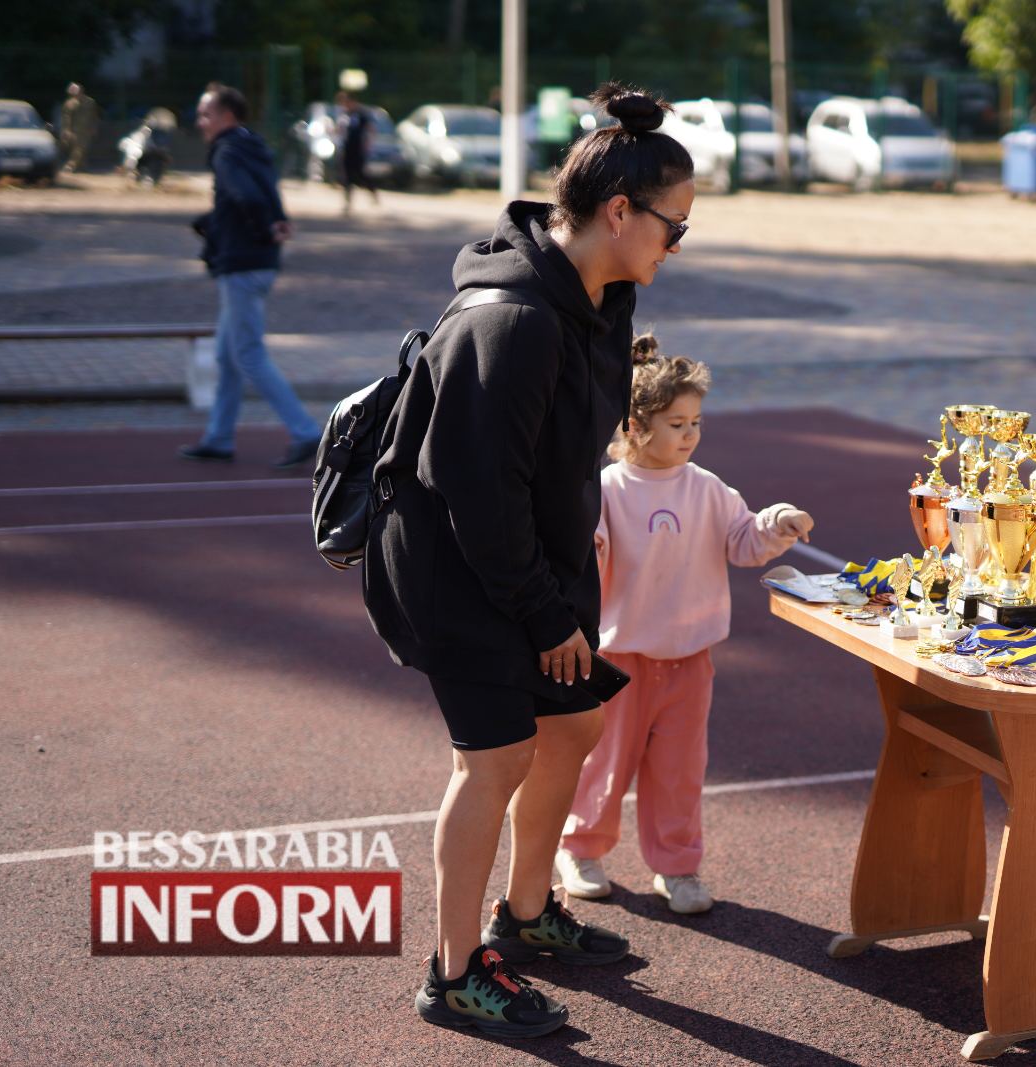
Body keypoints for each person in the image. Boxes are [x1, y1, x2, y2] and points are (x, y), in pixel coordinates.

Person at [362, 82, 696, 1040]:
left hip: (532, 553)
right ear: (619, 211)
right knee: (497, 754)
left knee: (578, 719)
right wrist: (544, 612)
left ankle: (527, 910)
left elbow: (559, 450)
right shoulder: (511, 323)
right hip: (455, 562)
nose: (678, 245)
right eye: (675, 226)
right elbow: (476, 494)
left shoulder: (603, 295)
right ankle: (456, 971)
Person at [556, 335, 815, 915]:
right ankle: (580, 848)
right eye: (677, 423)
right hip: (617, 661)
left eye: (696, 421)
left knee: (679, 771)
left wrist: (777, 523)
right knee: (604, 763)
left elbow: (745, 542)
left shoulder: (708, 488)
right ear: (635, 425)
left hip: (689, 661)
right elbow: (582, 561)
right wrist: (585, 545)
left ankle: (677, 865)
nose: (691, 434)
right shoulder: (607, 490)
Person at [180, 84, 323, 470]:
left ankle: (307, 431)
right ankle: (219, 438)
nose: (200, 122)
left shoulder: (227, 151)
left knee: (248, 355)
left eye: (206, 114)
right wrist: (272, 224)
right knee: (227, 356)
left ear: (227, 116)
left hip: (242, 264)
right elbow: (263, 196)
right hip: (258, 259)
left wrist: (262, 227)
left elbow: (245, 196)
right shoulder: (253, 146)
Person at [334, 91, 379, 214]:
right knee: (347, 176)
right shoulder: (344, 115)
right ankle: (348, 203)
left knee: (361, 174)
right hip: (347, 148)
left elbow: (371, 129)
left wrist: (368, 144)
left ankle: (373, 192)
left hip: (358, 148)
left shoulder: (362, 114)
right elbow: (340, 130)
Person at [58, 83, 98, 173]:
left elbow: (94, 116)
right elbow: (66, 118)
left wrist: (94, 128)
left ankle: (71, 165)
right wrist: (66, 130)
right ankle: (80, 167)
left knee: (81, 148)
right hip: (74, 130)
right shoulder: (69, 103)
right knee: (76, 149)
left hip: (86, 129)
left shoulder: (90, 102)